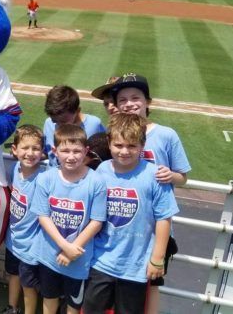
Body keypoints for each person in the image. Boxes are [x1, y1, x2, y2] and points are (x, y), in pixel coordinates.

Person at [108, 73, 190, 314]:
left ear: (148, 101)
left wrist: (171, 175)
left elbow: (183, 176)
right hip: (122, 225)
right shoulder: (115, 133)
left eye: (136, 97)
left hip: (156, 228)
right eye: (123, 99)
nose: (130, 103)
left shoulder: (166, 135)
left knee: (152, 285)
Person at [83, 113, 179, 314]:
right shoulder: (102, 170)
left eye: (132, 146)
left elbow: (164, 218)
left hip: (135, 266)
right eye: (118, 145)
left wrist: (157, 258)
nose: (124, 151)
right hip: (101, 260)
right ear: (109, 143)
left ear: (142, 145)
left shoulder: (154, 175)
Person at [33, 124, 106, 314]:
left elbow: (96, 221)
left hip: (78, 259)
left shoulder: (96, 181)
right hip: (49, 255)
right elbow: (43, 216)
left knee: (74, 305)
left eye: (76, 151)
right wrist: (65, 247)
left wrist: (72, 250)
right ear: (55, 151)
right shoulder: (46, 178)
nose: (71, 156)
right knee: (49, 299)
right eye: (65, 150)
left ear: (86, 151)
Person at [2, 124, 46, 314]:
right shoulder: (14, 169)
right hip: (13, 240)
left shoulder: (45, 177)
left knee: (29, 286)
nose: (30, 153)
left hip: (31, 246)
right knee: (13, 275)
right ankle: (12, 308)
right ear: (14, 149)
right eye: (25, 148)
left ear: (42, 152)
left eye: (35, 148)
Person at [43, 85, 105, 167]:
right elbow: (46, 153)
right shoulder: (48, 123)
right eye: (54, 121)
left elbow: (105, 154)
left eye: (63, 121)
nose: (59, 125)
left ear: (77, 111)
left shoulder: (94, 124)